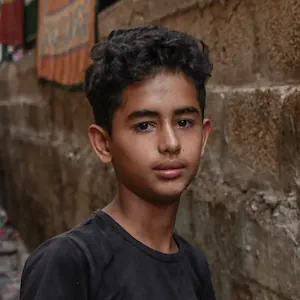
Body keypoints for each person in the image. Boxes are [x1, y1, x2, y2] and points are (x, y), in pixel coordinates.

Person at [20, 25, 216, 300]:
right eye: (145, 125)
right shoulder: (71, 264)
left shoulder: (195, 266)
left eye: (184, 123)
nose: (171, 143)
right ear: (103, 143)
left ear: (204, 136)